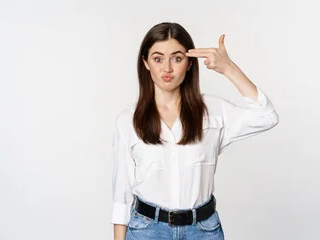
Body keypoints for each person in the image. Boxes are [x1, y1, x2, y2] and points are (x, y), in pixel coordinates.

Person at [111, 22, 279, 240]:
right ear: (145, 63)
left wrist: (228, 68)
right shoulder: (127, 120)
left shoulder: (214, 111)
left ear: (189, 63)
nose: (167, 68)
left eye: (177, 58)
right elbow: (121, 194)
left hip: (203, 231)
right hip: (147, 231)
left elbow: (266, 116)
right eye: (158, 58)